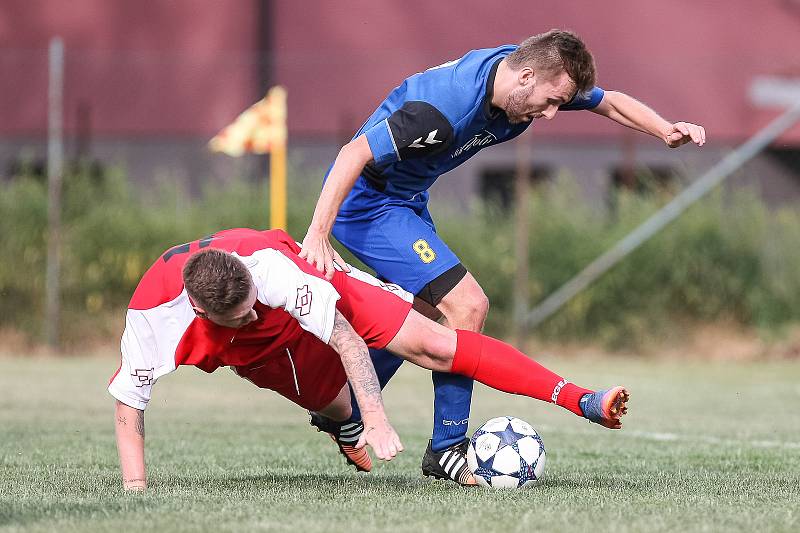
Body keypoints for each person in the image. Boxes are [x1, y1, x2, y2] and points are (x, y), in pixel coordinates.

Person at [299, 29, 704, 484]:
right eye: (550, 102)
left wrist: (665, 129)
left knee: (430, 312)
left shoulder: (531, 77)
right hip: (368, 204)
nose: (551, 114)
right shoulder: (442, 108)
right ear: (526, 77)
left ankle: (343, 405)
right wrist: (318, 234)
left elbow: (607, 101)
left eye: (559, 104)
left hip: (405, 199)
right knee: (467, 305)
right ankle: (447, 448)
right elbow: (353, 152)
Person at [109, 228, 629, 490]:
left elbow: (345, 337)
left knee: (434, 341)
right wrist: (135, 494)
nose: (253, 313)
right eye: (240, 314)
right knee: (338, 406)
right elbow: (128, 411)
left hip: (315, 283)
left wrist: (381, 421)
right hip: (255, 356)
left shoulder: (268, 272)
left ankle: (579, 398)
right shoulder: (153, 321)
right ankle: (343, 423)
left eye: (253, 305)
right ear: (200, 310)